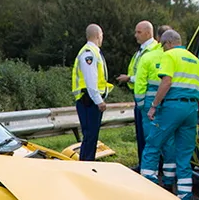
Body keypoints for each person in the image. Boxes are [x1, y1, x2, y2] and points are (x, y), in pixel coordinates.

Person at [141, 29, 199, 200]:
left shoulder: (170, 56)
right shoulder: (194, 59)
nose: (163, 50)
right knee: (184, 156)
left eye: (163, 46)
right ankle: (184, 199)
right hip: (191, 108)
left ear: (168, 43)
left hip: (173, 106)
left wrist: (153, 106)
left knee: (153, 144)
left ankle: (147, 191)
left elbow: (167, 81)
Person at [117, 21, 167, 169]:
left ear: (148, 33)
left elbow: (143, 77)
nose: (135, 35)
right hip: (141, 96)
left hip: (147, 98)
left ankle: (150, 168)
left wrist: (129, 78)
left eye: (138, 32)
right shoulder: (142, 50)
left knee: (149, 136)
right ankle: (144, 165)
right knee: (142, 135)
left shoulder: (153, 51)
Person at [71, 24, 113, 161]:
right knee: (90, 136)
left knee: (92, 136)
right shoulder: (89, 52)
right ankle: (86, 165)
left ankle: (87, 163)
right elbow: (91, 80)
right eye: (102, 36)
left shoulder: (91, 51)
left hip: (89, 99)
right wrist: (99, 101)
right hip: (88, 100)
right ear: (98, 35)